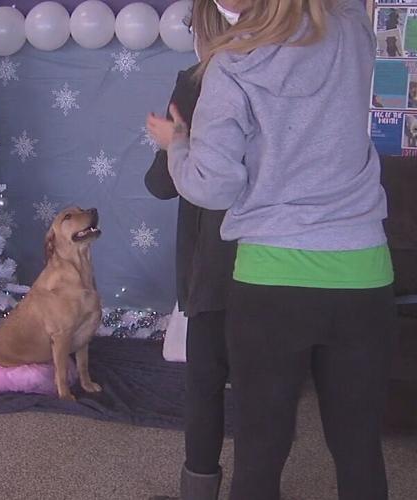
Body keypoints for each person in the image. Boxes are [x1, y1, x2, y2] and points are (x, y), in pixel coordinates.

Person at [146, 0, 397, 499]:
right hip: (363, 271)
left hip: (272, 280)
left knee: (262, 450)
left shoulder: (234, 63)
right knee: (359, 448)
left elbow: (211, 188)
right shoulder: (353, 30)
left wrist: (177, 143)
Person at [145, 63, 237, 500]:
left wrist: (172, 144)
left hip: (214, 263)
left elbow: (163, 184)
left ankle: (199, 492)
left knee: (206, 382)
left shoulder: (198, 80)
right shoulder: (293, 68)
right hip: (280, 257)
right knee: (268, 385)